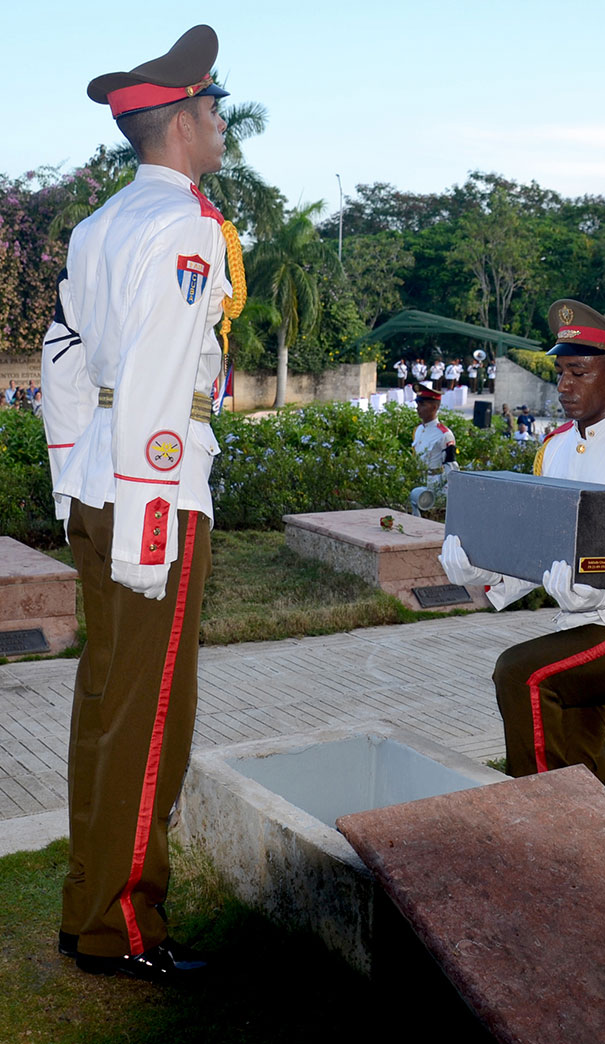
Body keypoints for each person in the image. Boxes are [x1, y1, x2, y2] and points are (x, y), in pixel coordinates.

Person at [41, 24, 244, 983]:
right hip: (150, 492)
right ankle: (122, 923)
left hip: (99, 479)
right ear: (182, 122)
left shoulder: (98, 226)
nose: (220, 124)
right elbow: (165, 379)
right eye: (215, 109)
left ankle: (89, 904)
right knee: (153, 713)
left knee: (106, 706)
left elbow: (62, 363)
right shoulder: (186, 228)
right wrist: (151, 526)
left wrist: (68, 481)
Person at [440, 299, 605, 794]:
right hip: (575, 627)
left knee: (521, 674)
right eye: (561, 372)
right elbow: (541, 547)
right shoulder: (555, 446)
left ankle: (539, 815)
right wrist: (485, 572)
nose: (563, 386)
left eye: (578, 372)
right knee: (577, 778)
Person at [411, 383, 458, 489]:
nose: (418, 408)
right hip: (417, 481)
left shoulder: (444, 434)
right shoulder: (418, 430)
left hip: (434, 484)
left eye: (422, 405)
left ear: (434, 407)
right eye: (418, 404)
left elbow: (451, 467)